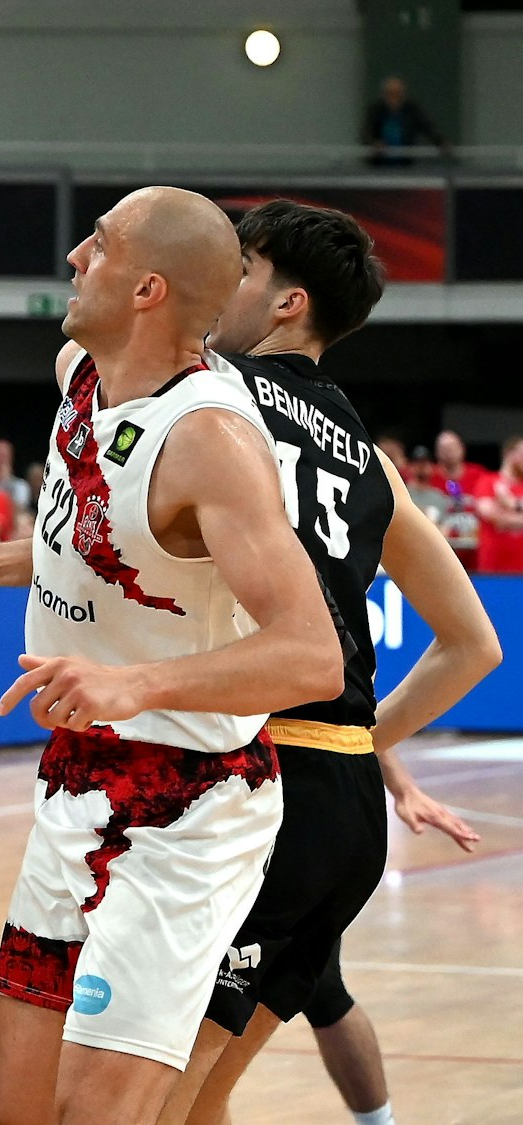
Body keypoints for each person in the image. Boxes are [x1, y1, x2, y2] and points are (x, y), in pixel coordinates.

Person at [0, 188, 344, 1125]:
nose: (73, 260)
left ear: (146, 287)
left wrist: (138, 682)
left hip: (190, 803)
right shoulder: (79, 377)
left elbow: (312, 654)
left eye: (95, 246)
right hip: (75, 781)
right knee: (12, 1112)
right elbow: (106, 544)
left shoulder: (210, 440)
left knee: (94, 1114)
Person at [151, 201, 500, 1125]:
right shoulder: (372, 462)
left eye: (247, 265)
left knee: (146, 1096)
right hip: (344, 804)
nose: (227, 279)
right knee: (200, 1094)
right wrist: (359, 739)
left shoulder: (214, 398)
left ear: (286, 303)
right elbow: (475, 645)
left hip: (260, 787)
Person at [421, 429, 488, 568]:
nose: (448, 452)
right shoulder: (428, 476)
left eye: (452, 447)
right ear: (437, 452)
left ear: (462, 448)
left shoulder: (478, 474)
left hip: (473, 548)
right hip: (439, 547)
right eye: (444, 448)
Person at [364, 76, 446, 167]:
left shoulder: (412, 109)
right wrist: (373, 142)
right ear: (384, 94)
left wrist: (440, 141)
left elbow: (427, 126)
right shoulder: (375, 110)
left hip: (405, 162)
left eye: (398, 94)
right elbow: (367, 131)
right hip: (379, 163)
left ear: (403, 94)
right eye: (390, 94)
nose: (394, 98)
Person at [472, 437, 523, 574]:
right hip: (493, 568)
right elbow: (489, 514)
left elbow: (500, 517)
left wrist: (512, 504)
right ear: (509, 454)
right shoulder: (488, 481)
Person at [0, 437, 33, 515]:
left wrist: (6, 483)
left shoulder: (21, 486)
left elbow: (19, 512)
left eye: (5, 456)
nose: (1, 461)